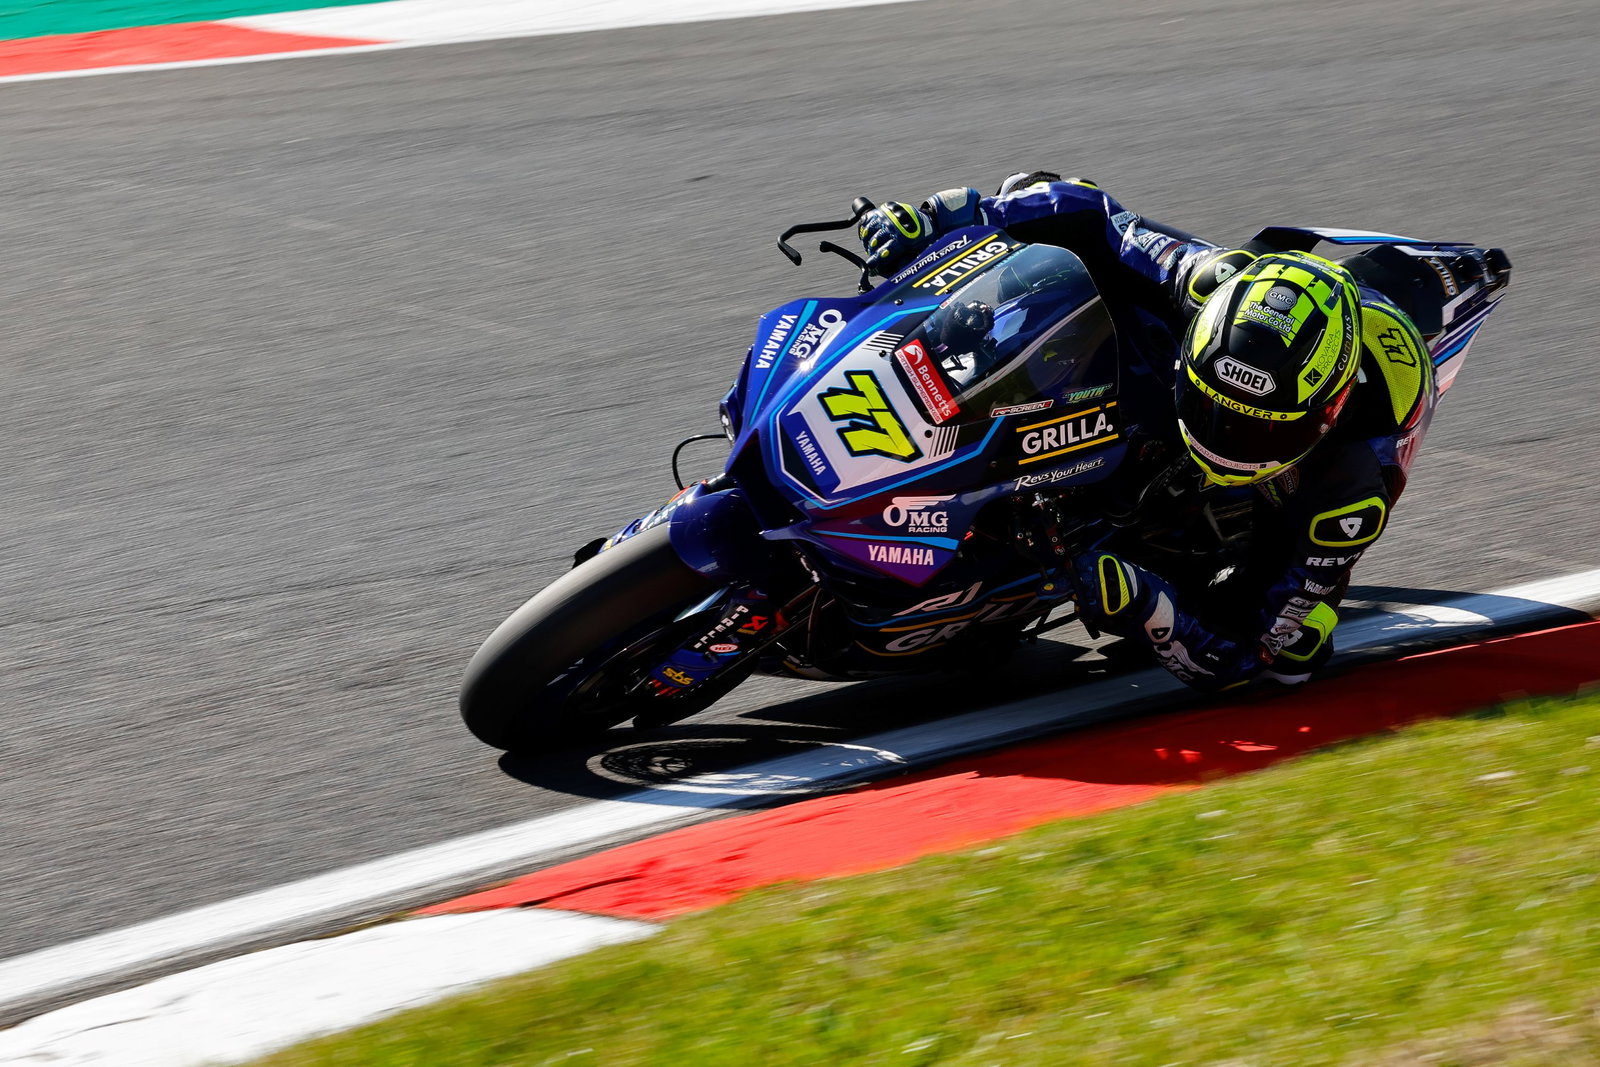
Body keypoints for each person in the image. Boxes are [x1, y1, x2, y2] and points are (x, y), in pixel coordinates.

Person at [857, 172, 1510, 690]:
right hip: (1268, 323)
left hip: (1332, 457)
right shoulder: (1204, 278)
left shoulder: (1350, 484)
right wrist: (949, 215)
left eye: (1251, 431)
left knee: (1297, 653)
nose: (1220, 438)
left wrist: (1150, 608)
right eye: (1211, 405)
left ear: (1323, 417)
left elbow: (1252, 654)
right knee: (1042, 209)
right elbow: (1084, 208)